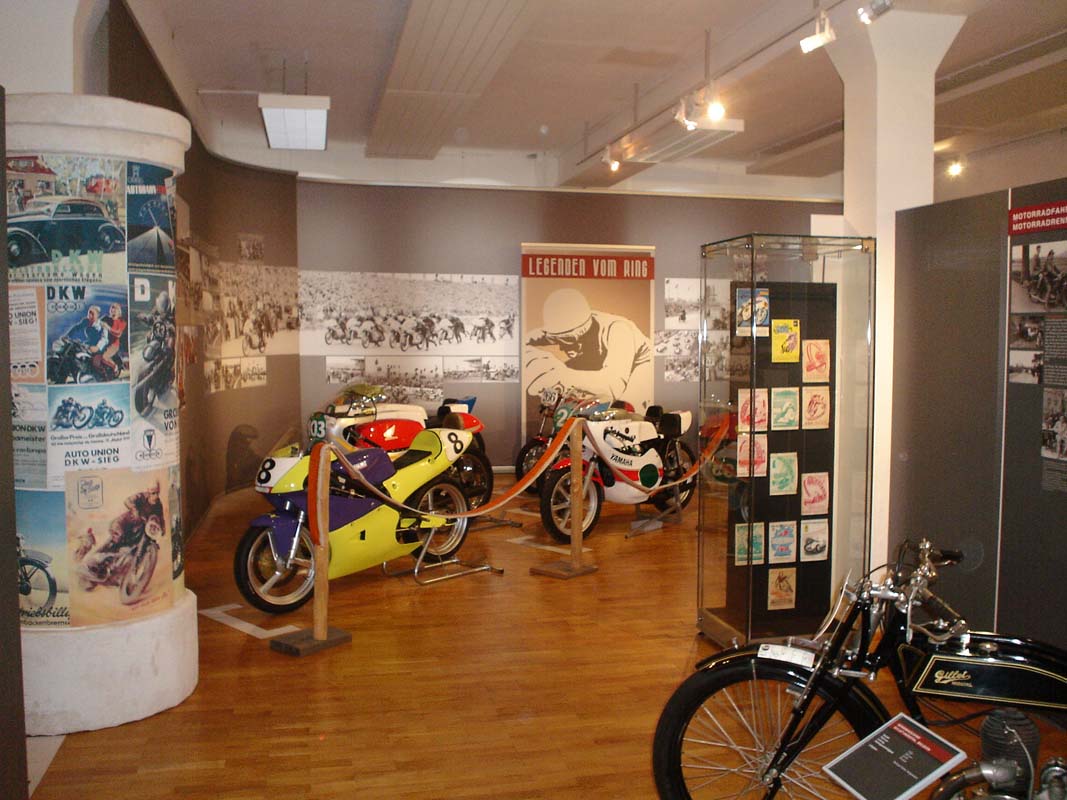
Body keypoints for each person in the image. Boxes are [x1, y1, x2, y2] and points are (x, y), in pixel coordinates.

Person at [524, 287, 651, 408]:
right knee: (570, 383)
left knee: (626, 406)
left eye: (567, 340)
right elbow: (525, 341)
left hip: (641, 365)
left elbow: (613, 387)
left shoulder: (619, 331)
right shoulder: (568, 328)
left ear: (581, 333)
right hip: (603, 362)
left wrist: (562, 376)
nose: (561, 348)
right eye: (555, 340)